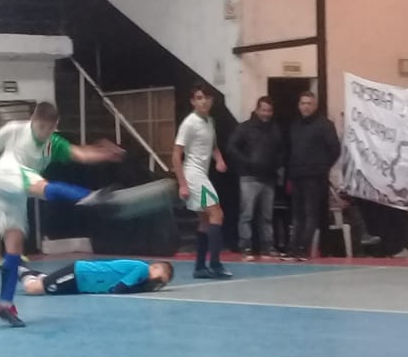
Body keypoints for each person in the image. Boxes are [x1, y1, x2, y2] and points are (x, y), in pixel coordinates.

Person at [0, 102, 124, 328]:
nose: (43, 133)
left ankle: (4, 304)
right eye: (40, 127)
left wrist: (104, 154)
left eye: (49, 129)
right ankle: (89, 197)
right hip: (5, 176)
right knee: (42, 185)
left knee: (15, 245)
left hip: (16, 193)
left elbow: (81, 154)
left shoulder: (54, 143)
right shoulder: (15, 130)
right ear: (32, 121)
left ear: (55, 126)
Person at [174, 83, 231, 279]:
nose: (203, 101)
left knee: (205, 222)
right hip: (193, 175)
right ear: (193, 101)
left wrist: (219, 160)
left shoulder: (210, 121)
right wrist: (182, 184)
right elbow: (176, 155)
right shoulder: (189, 123)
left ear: (212, 100)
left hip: (202, 174)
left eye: (206, 98)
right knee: (217, 214)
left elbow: (213, 146)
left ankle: (199, 267)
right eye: (199, 98)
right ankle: (215, 264)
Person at [225, 95, 283, 260]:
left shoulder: (275, 129)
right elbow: (231, 147)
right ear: (257, 110)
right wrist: (247, 162)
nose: (266, 114)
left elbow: (281, 150)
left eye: (269, 111)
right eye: (263, 110)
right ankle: (246, 247)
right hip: (249, 177)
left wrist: (277, 164)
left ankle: (268, 246)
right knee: (247, 215)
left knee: (267, 216)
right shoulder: (245, 128)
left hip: (268, 178)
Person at [287, 90, 341, 261]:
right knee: (297, 215)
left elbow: (335, 149)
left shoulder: (325, 125)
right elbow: (291, 150)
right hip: (297, 175)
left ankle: (304, 248)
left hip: (315, 177)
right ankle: (293, 249)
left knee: (311, 214)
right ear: (298, 106)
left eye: (309, 103)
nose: (306, 107)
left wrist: (322, 167)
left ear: (315, 106)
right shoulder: (295, 125)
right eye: (303, 103)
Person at [19, 259, 174, 296]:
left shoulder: (141, 276)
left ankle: (32, 272)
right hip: (80, 274)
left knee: (47, 282)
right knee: (33, 288)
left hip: (81, 284)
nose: (157, 283)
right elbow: (119, 289)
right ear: (155, 267)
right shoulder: (142, 269)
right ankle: (19, 269)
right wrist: (141, 289)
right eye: (160, 278)